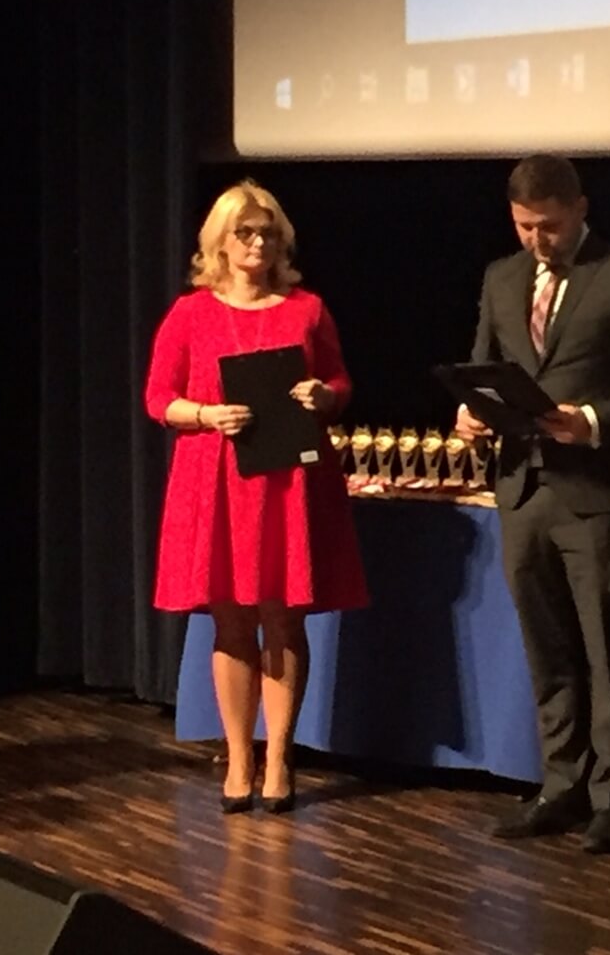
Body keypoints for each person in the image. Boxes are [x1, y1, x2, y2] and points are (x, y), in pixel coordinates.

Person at [144, 179, 369, 815]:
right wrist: (206, 414)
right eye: (245, 232)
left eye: (268, 233)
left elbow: (339, 381)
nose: (258, 243)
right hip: (216, 479)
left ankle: (279, 759)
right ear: (220, 241)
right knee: (232, 619)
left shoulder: (306, 310)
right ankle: (239, 758)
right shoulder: (191, 313)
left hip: (287, 481)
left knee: (283, 617)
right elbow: (158, 398)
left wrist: (324, 396)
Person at [454, 155, 610, 854]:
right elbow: (483, 365)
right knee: (547, 649)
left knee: (607, 649)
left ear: (580, 208)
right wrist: (471, 413)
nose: (538, 240)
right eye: (525, 227)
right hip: (521, 488)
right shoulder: (502, 278)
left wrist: (590, 420)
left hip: (588, 491)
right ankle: (560, 783)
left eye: (550, 226)